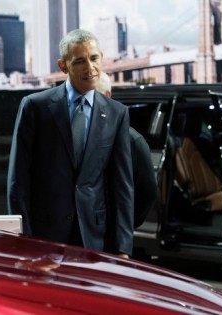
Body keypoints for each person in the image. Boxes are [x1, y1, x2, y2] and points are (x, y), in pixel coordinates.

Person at [7, 29, 134, 257]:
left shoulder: (117, 114)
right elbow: (18, 181)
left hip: (95, 237)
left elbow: (122, 186)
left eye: (94, 58)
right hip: (43, 236)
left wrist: (122, 247)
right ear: (63, 65)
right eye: (79, 61)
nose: (90, 67)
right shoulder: (35, 107)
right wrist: (23, 238)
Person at [97, 72, 158, 228]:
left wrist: (123, 225)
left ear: (107, 96)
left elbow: (148, 192)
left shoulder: (131, 140)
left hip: (110, 234)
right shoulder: (71, 135)